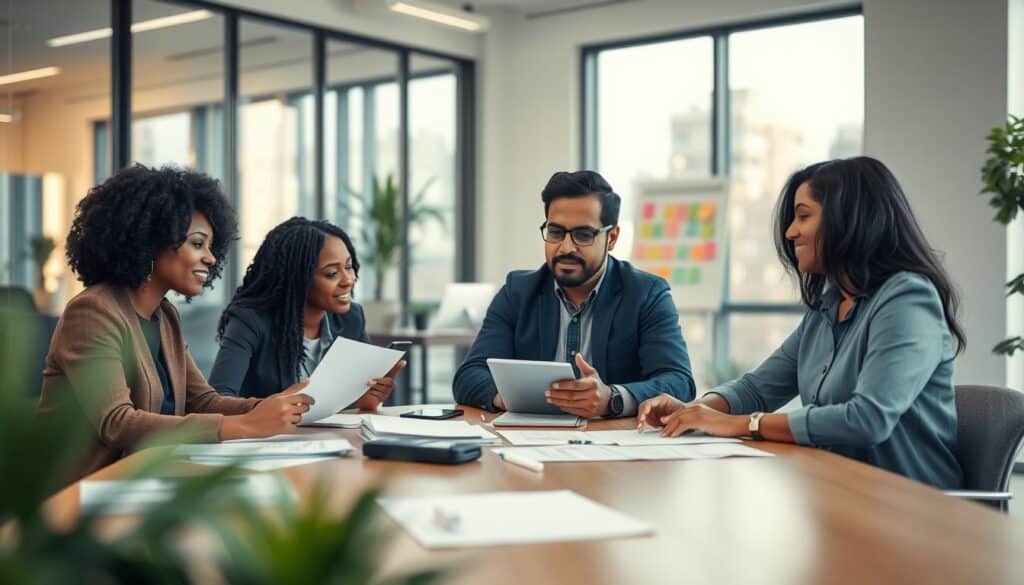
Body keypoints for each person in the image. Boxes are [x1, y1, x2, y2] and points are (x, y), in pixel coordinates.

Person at [638, 157, 965, 489]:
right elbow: (756, 388)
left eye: (803, 216)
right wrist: (693, 412)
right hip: (841, 491)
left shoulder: (907, 298)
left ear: (848, 219)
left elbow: (868, 420)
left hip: (913, 508)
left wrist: (741, 424)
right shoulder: (828, 307)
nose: (790, 231)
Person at [37, 165, 313, 480]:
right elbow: (117, 423)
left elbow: (203, 401)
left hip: (147, 476)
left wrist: (274, 406)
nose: (210, 258)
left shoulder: (165, 316)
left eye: (211, 247)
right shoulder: (93, 312)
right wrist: (245, 425)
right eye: (197, 244)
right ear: (150, 242)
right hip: (80, 493)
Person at [453, 170, 695, 418]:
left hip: (613, 445)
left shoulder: (646, 294)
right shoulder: (517, 292)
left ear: (611, 238)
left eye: (583, 235)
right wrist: (507, 397)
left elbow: (679, 382)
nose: (566, 247)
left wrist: (613, 398)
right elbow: (469, 375)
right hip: (528, 443)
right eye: (556, 232)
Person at [209, 217, 404, 409]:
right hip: (267, 438)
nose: (348, 280)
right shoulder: (250, 321)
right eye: (332, 273)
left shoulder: (351, 318)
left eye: (349, 267)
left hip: (330, 438)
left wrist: (367, 398)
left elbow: (356, 400)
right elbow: (217, 402)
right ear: (298, 279)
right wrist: (268, 407)